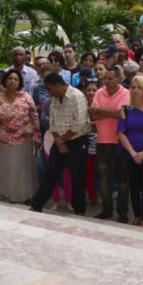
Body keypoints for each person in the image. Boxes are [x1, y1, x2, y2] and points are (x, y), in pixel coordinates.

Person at [30, 73, 91, 215]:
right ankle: (37, 204)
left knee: (77, 178)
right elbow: (52, 122)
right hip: (59, 141)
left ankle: (79, 210)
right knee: (50, 173)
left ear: (58, 86)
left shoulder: (77, 96)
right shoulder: (55, 98)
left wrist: (64, 139)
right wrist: (59, 140)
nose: (49, 92)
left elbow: (79, 123)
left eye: (50, 89)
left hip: (77, 141)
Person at [0, 69, 40, 203]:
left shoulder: (26, 97)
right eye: (10, 78)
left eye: (16, 79)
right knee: (6, 169)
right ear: (5, 80)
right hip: (3, 141)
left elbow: (34, 117)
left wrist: (37, 136)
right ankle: (7, 196)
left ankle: (25, 197)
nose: (12, 81)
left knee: (23, 169)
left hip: (24, 139)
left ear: (20, 82)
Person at [91, 66, 131, 222]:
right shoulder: (99, 92)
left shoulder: (126, 94)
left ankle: (123, 212)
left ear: (119, 78)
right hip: (103, 142)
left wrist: (102, 111)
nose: (106, 81)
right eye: (105, 78)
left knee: (122, 180)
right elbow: (93, 113)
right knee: (104, 179)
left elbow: (122, 115)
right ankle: (106, 210)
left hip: (121, 142)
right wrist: (111, 112)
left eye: (110, 78)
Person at [117, 75, 143, 227]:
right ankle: (137, 216)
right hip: (130, 155)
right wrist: (133, 153)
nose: (135, 90)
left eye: (139, 87)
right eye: (133, 87)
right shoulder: (125, 109)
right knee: (133, 186)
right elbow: (121, 132)